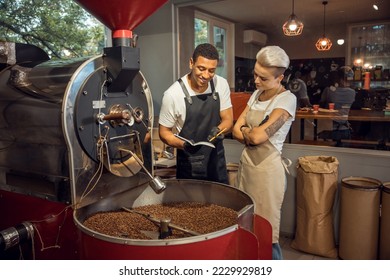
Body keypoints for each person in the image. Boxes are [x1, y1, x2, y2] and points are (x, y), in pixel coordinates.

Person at [232, 46, 296, 260]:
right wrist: (250, 132)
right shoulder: (256, 94)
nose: (256, 81)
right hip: (247, 168)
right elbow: (235, 130)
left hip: (268, 173)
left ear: (280, 78)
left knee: (267, 233)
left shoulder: (286, 100)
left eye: (264, 78)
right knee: (248, 227)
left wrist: (248, 132)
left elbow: (259, 137)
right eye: (255, 75)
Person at [158, 43, 233, 184]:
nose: (206, 75)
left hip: (216, 161)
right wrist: (184, 145)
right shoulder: (173, 95)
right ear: (191, 63)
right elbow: (164, 132)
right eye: (201, 68)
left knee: (221, 204)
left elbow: (228, 119)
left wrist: (219, 130)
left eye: (211, 71)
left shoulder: (220, 84)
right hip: (189, 164)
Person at [318, 66, 356, 143]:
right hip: (345, 128)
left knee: (327, 154)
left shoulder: (328, 90)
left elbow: (321, 104)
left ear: (338, 78)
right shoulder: (352, 92)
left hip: (328, 129)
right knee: (344, 154)